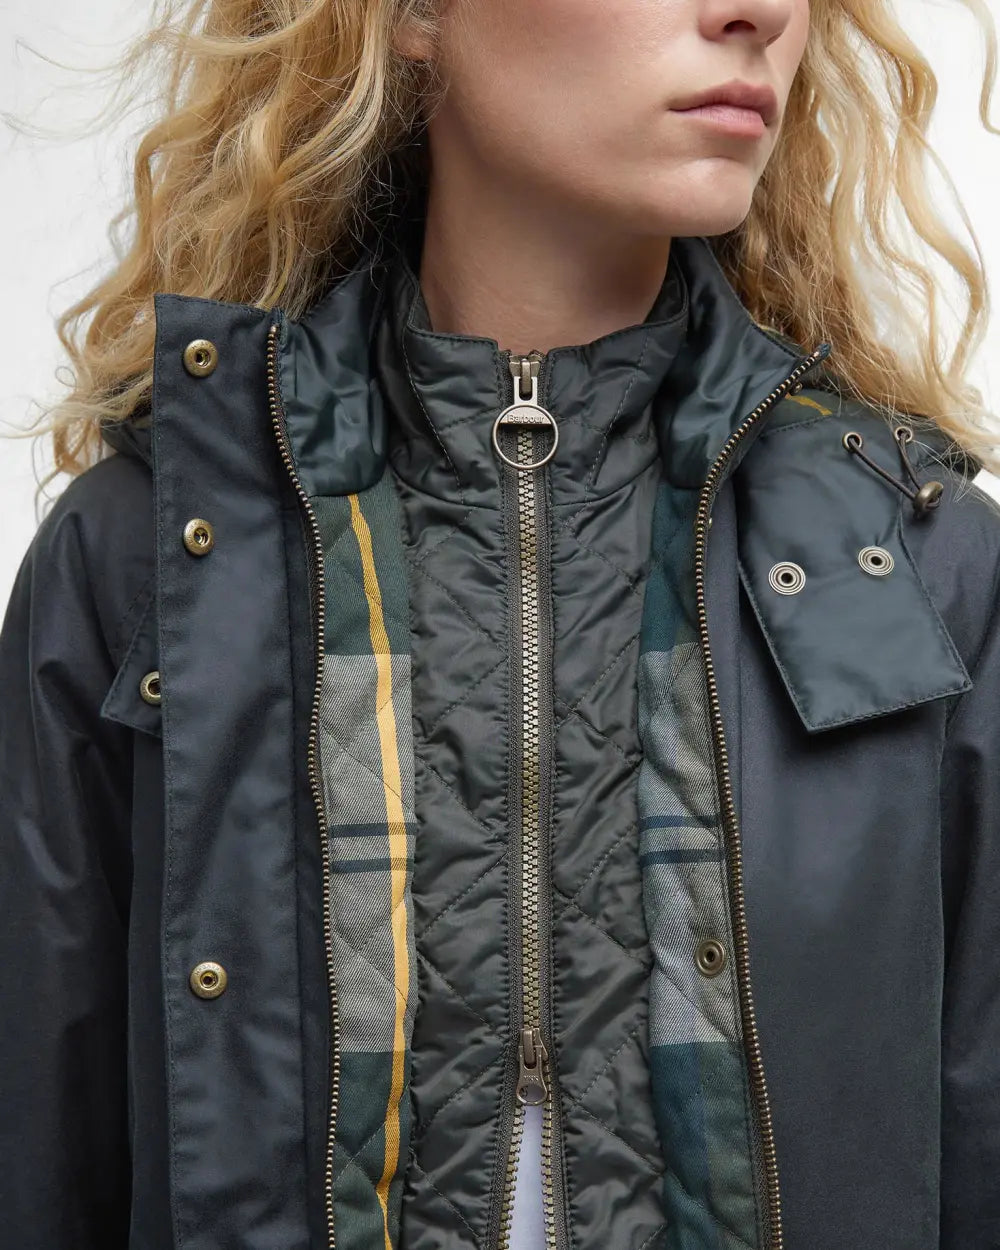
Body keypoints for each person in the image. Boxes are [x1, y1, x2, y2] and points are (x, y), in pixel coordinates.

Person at [2, 0, 999, 1247]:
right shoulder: (151, 559)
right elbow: (40, 1161)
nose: (753, 12)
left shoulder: (917, 566)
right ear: (414, 15)